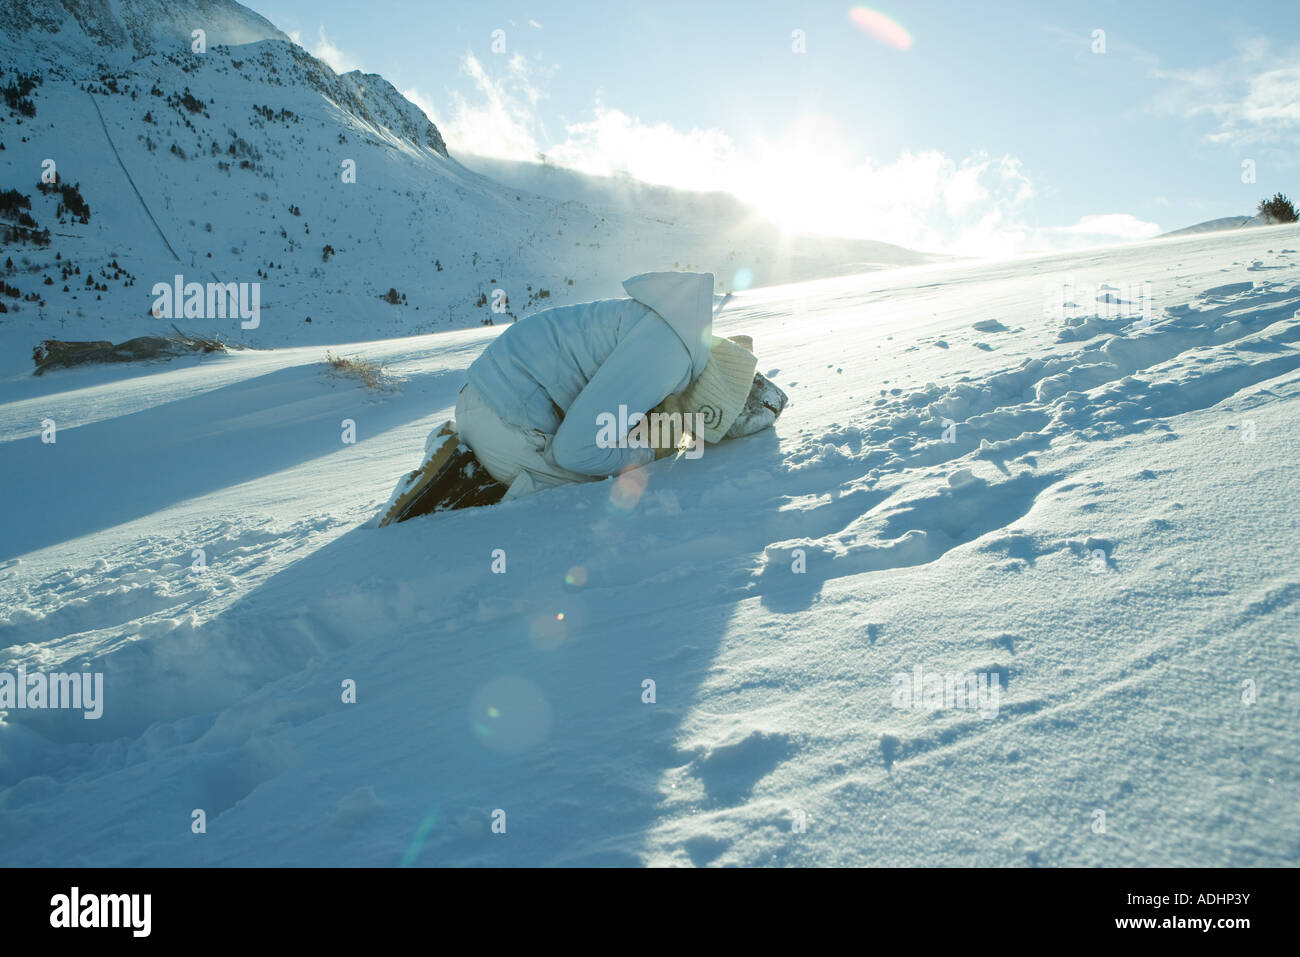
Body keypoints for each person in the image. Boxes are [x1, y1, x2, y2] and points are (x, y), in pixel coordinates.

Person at [453, 270, 770, 501]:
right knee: (594, 488)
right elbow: (574, 452)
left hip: (486, 401)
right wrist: (650, 452)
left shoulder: (667, 329)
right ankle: (466, 492)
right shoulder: (666, 357)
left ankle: (463, 458)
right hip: (506, 426)